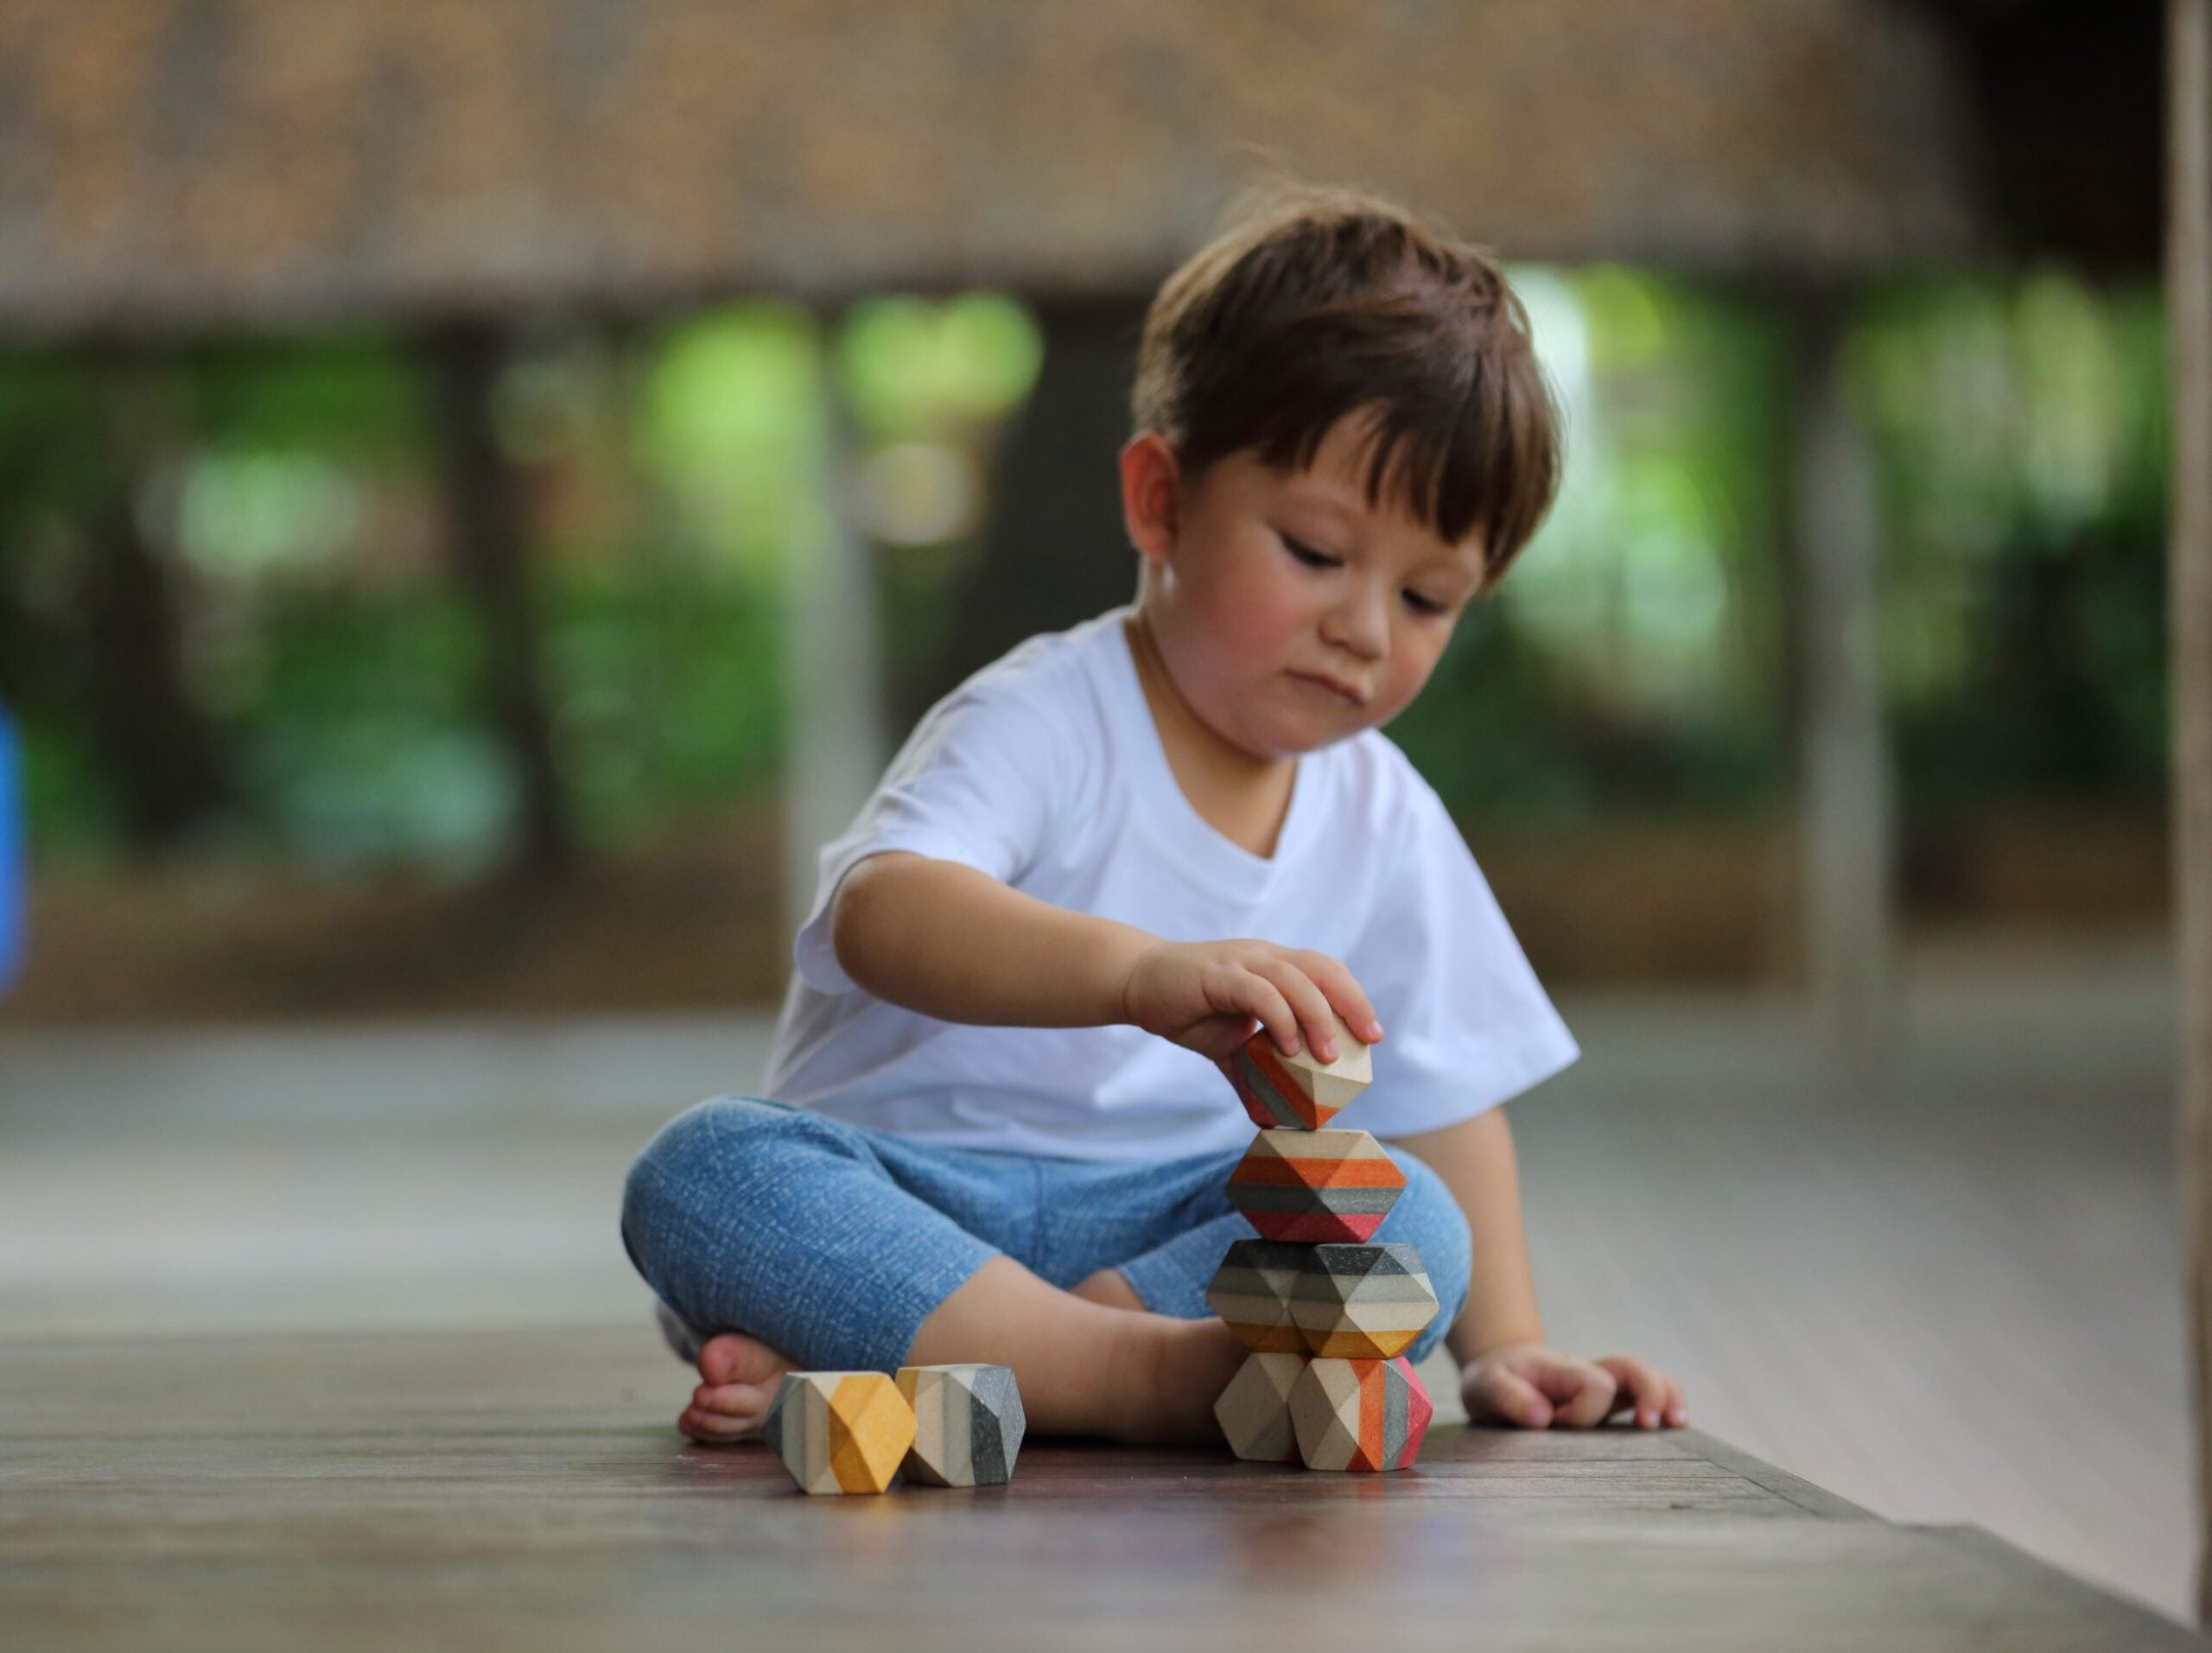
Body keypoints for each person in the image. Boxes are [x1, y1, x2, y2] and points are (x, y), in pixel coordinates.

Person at [622, 182, 1686, 1446]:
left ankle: (979, 1363)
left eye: (1430, 599)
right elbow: (884, 908)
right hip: (915, 1200)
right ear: (1161, 503)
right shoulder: (1050, 713)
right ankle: (1129, 1378)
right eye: (1314, 552)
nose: (1363, 627)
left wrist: (1505, 1348)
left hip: (1168, 1231)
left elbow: (1445, 1093)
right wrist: (1137, 973)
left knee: (1413, 1215)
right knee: (706, 1173)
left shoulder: (1384, 810)